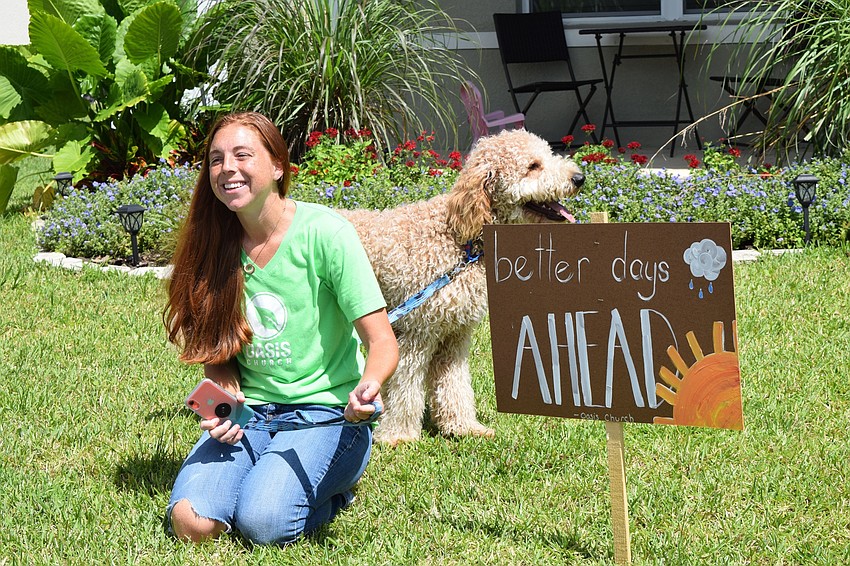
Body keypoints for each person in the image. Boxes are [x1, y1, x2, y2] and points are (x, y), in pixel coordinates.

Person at [163, 111, 398, 545]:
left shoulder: (326, 233)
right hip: (249, 415)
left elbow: (382, 340)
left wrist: (368, 387)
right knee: (192, 524)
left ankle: (335, 489)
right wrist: (222, 399)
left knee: (264, 524)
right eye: (216, 159)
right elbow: (214, 355)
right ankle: (260, 478)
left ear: (277, 167)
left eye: (241, 155)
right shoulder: (212, 243)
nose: (227, 168)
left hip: (326, 416)